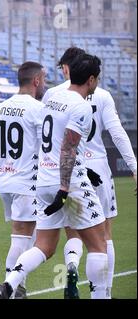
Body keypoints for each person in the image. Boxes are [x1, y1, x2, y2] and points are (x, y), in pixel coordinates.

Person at [0, 53, 109, 299]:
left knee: (44, 246)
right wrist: (65, 189)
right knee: (98, 245)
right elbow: (67, 147)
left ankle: (9, 284)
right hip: (68, 184)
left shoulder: (52, 97)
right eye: (96, 79)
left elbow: (56, 143)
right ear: (90, 80)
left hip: (43, 181)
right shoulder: (81, 106)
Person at [43, 47, 137, 299]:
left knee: (73, 232)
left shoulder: (53, 94)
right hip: (97, 168)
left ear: (68, 68)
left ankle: (71, 268)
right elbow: (117, 133)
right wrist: (134, 167)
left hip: (67, 171)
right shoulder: (102, 95)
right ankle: (104, 292)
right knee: (104, 236)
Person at [0, 62, 46, 299]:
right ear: (36, 81)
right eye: (44, 79)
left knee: (26, 236)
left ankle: (18, 286)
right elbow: (45, 149)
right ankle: (11, 288)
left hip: (6, 181)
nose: (45, 83)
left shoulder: (0, 109)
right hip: (28, 182)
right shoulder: (38, 109)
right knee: (23, 238)